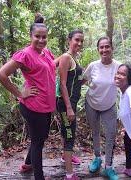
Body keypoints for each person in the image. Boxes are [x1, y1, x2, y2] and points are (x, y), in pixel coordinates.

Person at [0, 14, 55, 180]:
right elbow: (1, 75)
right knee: (38, 142)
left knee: (39, 138)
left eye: (44, 37)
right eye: (37, 36)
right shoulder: (25, 55)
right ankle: (39, 177)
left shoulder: (46, 52)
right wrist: (20, 93)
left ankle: (27, 165)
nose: (41, 40)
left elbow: (48, 71)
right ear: (30, 36)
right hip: (33, 106)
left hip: (46, 105)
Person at [83, 37, 120, 180]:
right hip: (91, 103)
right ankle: (97, 158)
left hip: (109, 106)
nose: (104, 50)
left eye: (107, 46)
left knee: (110, 135)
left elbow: (127, 83)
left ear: (112, 48)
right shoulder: (93, 65)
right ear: (98, 49)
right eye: (101, 47)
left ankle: (108, 167)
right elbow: (82, 80)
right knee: (95, 132)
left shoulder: (118, 66)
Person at [56, 29, 84, 180]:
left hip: (70, 103)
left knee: (66, 131)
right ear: (69, 40)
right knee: (69, 134)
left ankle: (64, 157)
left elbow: (76, 80)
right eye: (76, 40)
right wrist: (68, 108)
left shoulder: (73, 58)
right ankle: (69, 173)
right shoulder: (66, 57)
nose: (79, 43)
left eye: (81, 41)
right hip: (66, 104)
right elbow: (63, 84)